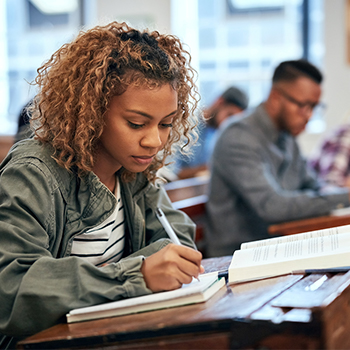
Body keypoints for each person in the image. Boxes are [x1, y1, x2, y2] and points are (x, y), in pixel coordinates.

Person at [0, 21, 204, 344]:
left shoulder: (133, 172)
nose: (154, 141)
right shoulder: (33, 173)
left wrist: (152, 269)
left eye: (166, 124)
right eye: (136, 123)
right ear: (92, 109)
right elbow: (10, 288)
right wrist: (135, 275)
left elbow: (177, 241)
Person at [205, 59, 350, 257]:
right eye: (303, 105)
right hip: (237, 258)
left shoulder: (287, 136)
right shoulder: (237, 137)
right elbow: (273, 207)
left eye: (314, 107)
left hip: (278, 248)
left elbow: (311, 184)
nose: (308, 115)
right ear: (275, 97)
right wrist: (345, 197)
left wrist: (337, 195)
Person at [174, 86, 248, 179]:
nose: (228, 124)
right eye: (229, 115)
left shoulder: (217, 133)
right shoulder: (184, 125)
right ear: (220, 102)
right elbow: (170, 174)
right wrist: (211, 167)